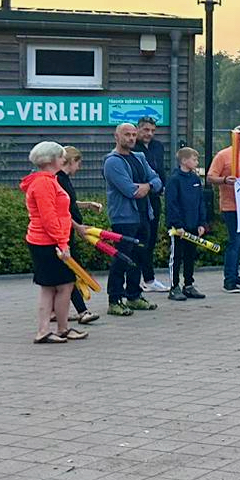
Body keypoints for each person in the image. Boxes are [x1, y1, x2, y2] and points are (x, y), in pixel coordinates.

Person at [23, 141, 88, 344]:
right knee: (64, 285)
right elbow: (49, 217)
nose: (64, 159)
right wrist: (62, 242)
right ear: (51, 160)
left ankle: (53, 329)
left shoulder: (47, 180)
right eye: (61, 157)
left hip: (44, 240)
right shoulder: (44, 183)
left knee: (51, 286)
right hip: (48, 242)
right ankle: (56, 329)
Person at [103, 124, 163, 315]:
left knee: (139, 257)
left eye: (133, 135)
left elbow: (157, 181)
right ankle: (114, 300)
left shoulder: (139, 157)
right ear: (116, 136)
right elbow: (131, 191)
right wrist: (148, 186)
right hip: (124, 219)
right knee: (122, 259)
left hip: (144, 215)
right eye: (126, 134)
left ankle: (134, 295)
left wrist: (147, 186)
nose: (131, 138)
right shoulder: (113, 162)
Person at [207, 125, 240, 291]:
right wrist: (224, 180)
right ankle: (229, 279)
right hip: (231, 206)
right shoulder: (224, 155)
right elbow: (210, 177)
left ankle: (235, 274)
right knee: (235, 241)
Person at [57, 146, 101, 324]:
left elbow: (70, 203)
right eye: (78, 164)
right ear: (72, 161)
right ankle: (82, 310)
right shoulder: (59, 179)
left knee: (63, 272)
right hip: (63, 233)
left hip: (66, 231)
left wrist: (87, 204)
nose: (79, 168)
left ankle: (55, 310)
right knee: (71, 270)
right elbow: (62, 210)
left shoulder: (64, 179)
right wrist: (78, 227)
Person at [166, 148, 208, 300]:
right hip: (178, 228)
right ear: (184, 161)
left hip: (193, 224)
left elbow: (200, 202)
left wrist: (201, 223)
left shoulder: (195, 179)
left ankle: (188, 285)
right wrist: (177, 225)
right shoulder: (174, 180)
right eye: (194, 159)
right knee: (176, 256)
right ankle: (174, 287)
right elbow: (172, 204)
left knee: (190, 256)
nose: (197, 162)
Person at [134, 116, 169, 292]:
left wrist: (163, 186)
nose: (149, 134)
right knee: (140, 240)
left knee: (151, 238)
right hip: (139, 198)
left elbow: (160, 170)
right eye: (146, 130)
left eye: (153, 131)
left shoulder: (158, 146)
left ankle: (148, 278)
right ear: (138, 129)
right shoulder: (133, 147)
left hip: (155, 196)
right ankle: (140, 278)